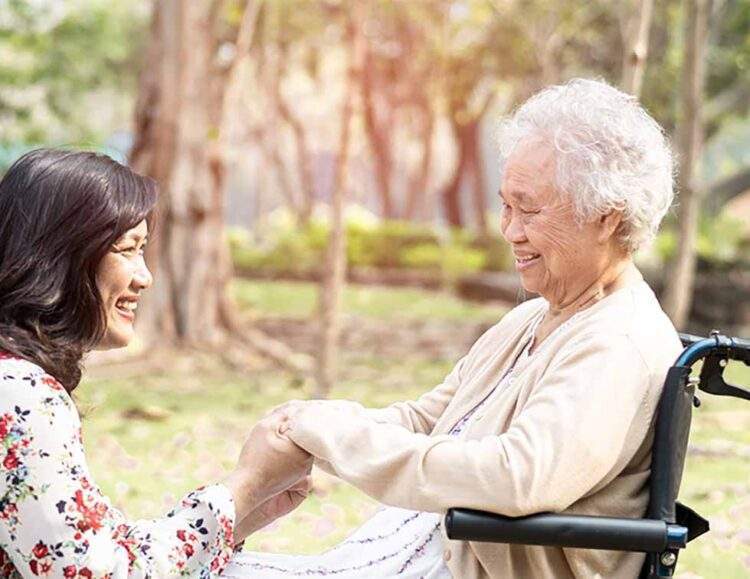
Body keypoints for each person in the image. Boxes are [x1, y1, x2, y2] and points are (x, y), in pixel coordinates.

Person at [223, 78, 683, 579]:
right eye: (506, 205)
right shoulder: (534, 318)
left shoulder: (619, 343)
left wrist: (336, 440)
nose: (510, 230)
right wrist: (308, 424)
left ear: (606, 220)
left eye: (529, 209)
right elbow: (427, 420)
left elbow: (515, 476)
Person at [0, 149, 312, 578]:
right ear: (62, 255)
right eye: (127, 250)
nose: (144, 276)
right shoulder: (21, 394)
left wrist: (244, 513)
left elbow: (95, 546)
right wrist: (246, 486)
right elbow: (97, 573)